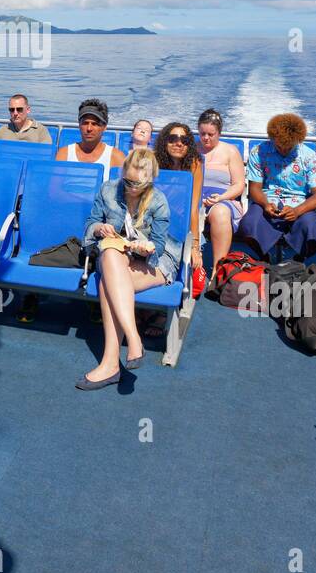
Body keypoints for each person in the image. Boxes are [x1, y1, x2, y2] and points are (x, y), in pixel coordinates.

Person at [76, 149, 181, 389]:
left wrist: (146, 248)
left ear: (150, 180)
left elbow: (160, 244)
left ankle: (110, 364)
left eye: (138, 183)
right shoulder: (108, 190)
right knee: (111, 251)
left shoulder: (158, 201)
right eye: (128, 180)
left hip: (153, 262)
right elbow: (90, 225)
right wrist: (99, 228)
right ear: (122, 173)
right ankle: (134, 339)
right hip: (115, 258)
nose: (131, 187)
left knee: (108, 285)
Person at [235, 114, 316, 262]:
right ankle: (264, 259)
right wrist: (265, 204)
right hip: (267, 200)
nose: (283, 150)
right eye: (279, 146)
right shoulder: (259, 152)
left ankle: (297, 261)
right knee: (247, 225)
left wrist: (297, 211)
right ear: (272, 139)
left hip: (300, 203)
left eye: (288, 147)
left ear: (298, 141)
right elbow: (255, 188)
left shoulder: (309, 157)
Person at [197, 109, 245, 268]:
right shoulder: (192, 150)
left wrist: (221, 197)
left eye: (211, 134)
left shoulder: (230, 151)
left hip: (224, 199)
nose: (205, 138)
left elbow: (239, 185)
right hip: (195, 199)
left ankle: (218, 270)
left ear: (219, 133)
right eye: (202, 133)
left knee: (220, 212)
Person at [154, 122, 203, 273]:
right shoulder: (152, 162)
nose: (179, 143)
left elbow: (193, 208)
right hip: (154, 222)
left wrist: (195, 246)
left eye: (184, 140)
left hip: (180, 226)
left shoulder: (193, 165)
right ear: (164, 141)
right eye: (173, 138)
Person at [56, 98, 125, 171]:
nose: (89, 128)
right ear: (79, 125)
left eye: (95, 124)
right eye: (85, 123)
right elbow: (56, 182)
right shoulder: (64, 154)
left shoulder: (116, 157)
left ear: (104, 127)